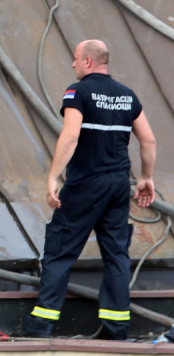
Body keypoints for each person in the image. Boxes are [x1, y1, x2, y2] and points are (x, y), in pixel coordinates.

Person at [22, 39, 157, 340]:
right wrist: (146, 177)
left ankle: (40, 327)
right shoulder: (127, 95)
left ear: (87, 62)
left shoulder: (77, 92)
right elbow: (148, 140)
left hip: (86, 184)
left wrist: (52, 177)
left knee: (60, 251)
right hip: (118, 185)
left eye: (75, 58)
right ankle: (116, 330)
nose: (72, 64)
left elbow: (71, 136)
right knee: (117, 254)